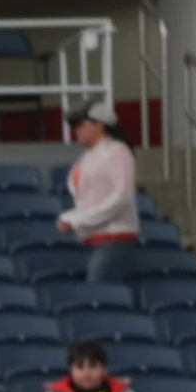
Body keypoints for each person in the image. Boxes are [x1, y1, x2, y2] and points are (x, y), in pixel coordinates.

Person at [56, 100, 140, 283]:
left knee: (100, 292)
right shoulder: (86, 158)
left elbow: (122, 196)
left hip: (113, 236)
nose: (75, 130)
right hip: (93, 237)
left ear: (99, 124)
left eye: (80, 124)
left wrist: (77, 220)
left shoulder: (117, 151)